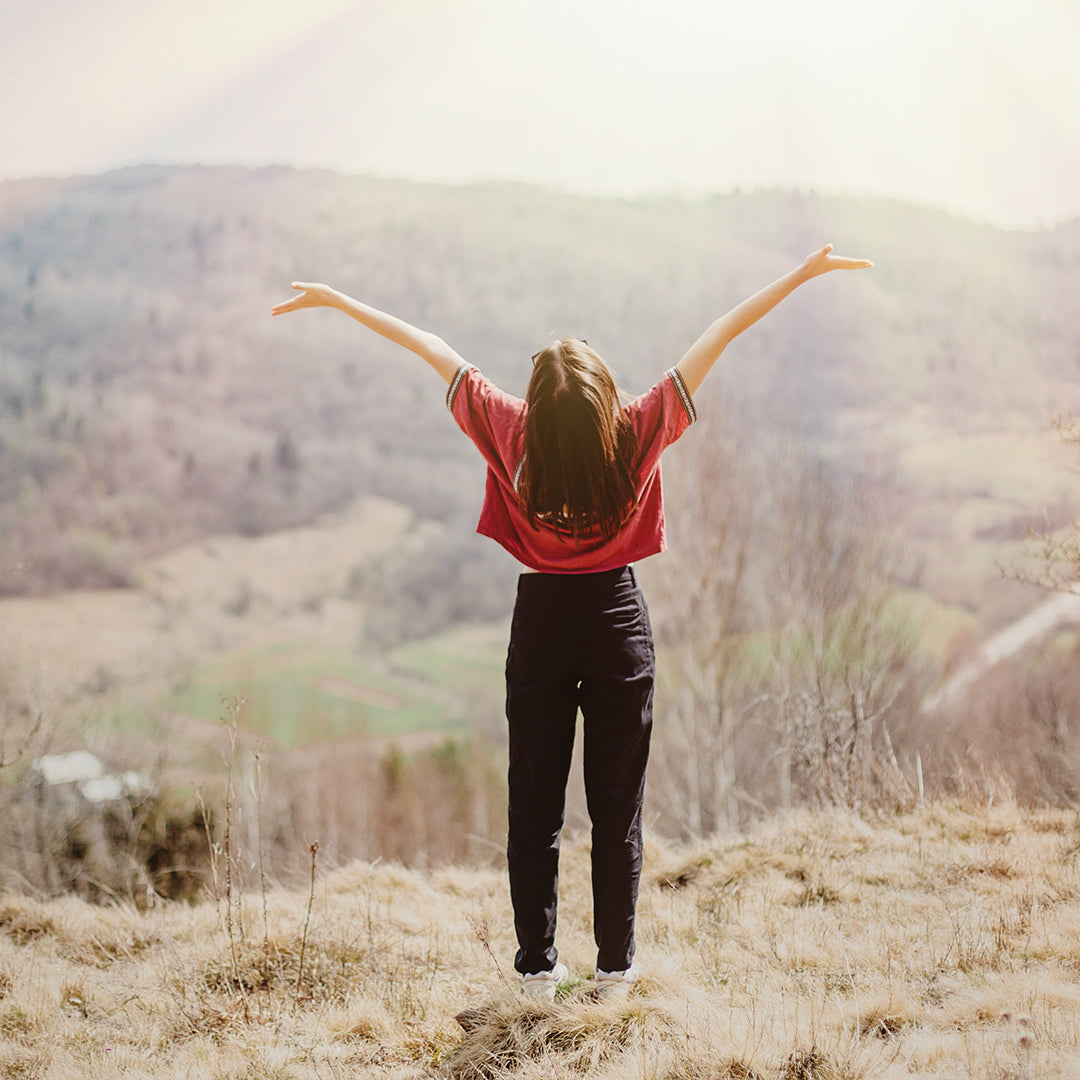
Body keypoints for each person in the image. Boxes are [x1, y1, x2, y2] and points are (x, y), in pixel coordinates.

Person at [271, 243, 872, 1001]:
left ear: (540, 409)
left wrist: (337, 299)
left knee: (535, 809)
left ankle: (535, 973)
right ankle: (615, 972)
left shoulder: (510, 433)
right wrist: (803, 274)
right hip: (616, 619)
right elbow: (720, 332)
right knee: (616, 813)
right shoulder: (636, 433)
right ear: (600, 401)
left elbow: (430, 346)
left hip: (543, 625)